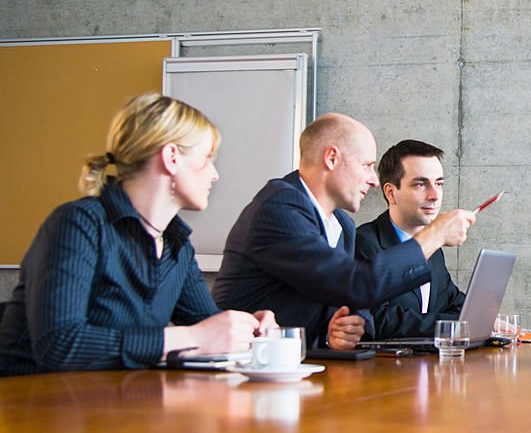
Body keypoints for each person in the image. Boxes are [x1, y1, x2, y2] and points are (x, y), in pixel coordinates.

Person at [0, 93, 275, 376]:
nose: (214, 174)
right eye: (206, 159)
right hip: (31, 406)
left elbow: (209, 327)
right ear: (171, 158)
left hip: (110, 407)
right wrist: (193, 338)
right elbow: (59, 345)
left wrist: (248, 329)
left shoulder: (175, 246)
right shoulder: (78, 224)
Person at [213, 114, 476, 350]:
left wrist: (345, 328)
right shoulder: (280, 206)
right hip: (244, 372)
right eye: (366, 165)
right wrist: (435, 234)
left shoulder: (343, 224)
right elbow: (357, 284)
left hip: (299, 368)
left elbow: (351, 305)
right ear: (332, 158)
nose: (373, 180)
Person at [355, 140, 465, 339]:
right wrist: (457, 326)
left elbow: (453, 301)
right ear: (391, 193)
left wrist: (484, 320)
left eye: (439, 183)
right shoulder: (364, 243)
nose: (434, 195)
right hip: (384, 368)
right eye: (421, 184)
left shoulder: (434, 248)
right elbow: (379, 320)